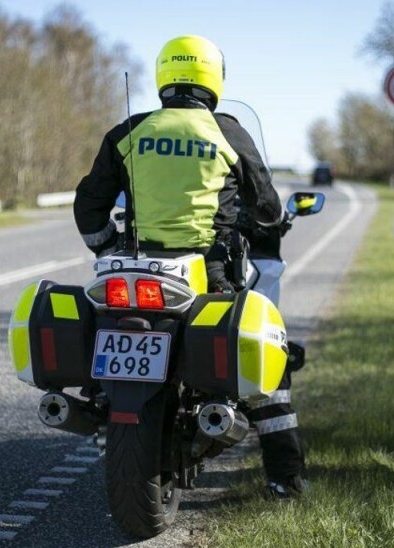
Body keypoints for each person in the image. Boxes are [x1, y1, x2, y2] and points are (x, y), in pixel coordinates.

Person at [73, 35, 308, 498]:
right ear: (213, 77)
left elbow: (89, 205)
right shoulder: (227, 131)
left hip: (134, 269)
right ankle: (286, 478)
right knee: (268, 356)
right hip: (208, 272)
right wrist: (271, 220)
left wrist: (104, 247)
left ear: (164, 76)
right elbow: (264, 205)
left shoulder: (130, 130)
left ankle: (103, 401)